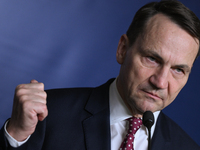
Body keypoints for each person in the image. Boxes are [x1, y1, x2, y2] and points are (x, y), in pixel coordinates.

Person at [0, 0, 200, 149]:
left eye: (178, 70)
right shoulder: (49, 114)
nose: (161, 82)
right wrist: (16, 135)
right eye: (152, 59)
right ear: (122, 49)